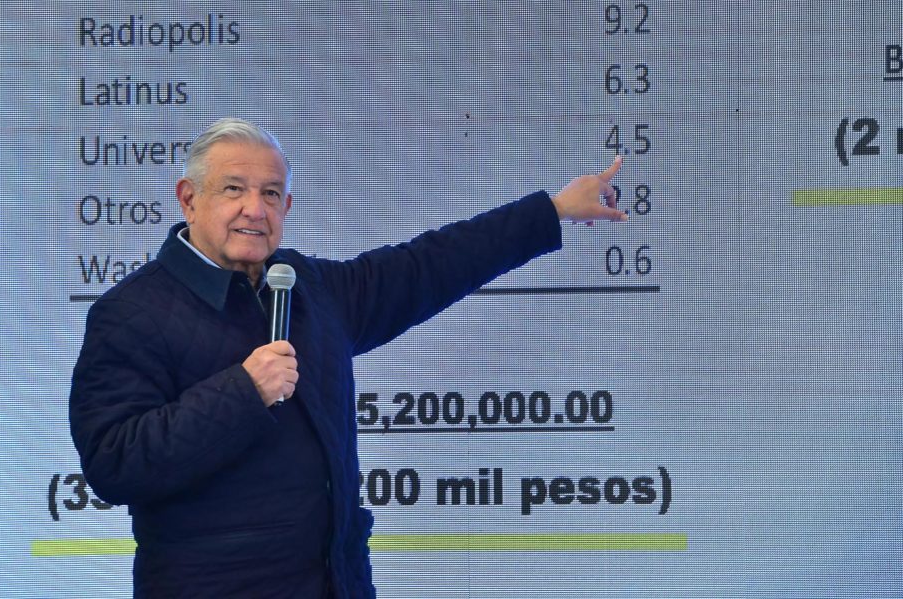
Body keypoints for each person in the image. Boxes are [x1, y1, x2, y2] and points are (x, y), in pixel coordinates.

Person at [69, 117, 626, 598]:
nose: (254, 209)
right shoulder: (132, 312)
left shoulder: (308, 287)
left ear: (287, 206)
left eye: (271, 194)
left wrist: (551, 210)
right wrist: (243, 391)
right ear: (189, 199)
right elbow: (115, 462)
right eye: (233, 189)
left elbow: (429, 265)